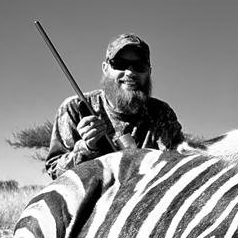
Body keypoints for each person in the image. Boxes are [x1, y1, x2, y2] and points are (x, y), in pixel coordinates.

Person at [45, 33, 190, 179]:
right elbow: (55, 172)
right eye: (120, 64)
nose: (130, 72)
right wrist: (86, 148)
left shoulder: (161, 113)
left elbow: (182, 162)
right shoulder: (75, 108)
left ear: (149, 72)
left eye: (140, 66)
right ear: (105, 68)